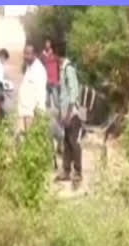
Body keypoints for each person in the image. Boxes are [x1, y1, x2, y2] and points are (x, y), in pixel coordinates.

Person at [55, 41, 82, 185]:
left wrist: (68, 115)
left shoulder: (68, 69)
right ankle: (66, 170)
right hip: (66, 113)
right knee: (67, 142)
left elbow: (74, 92)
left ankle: (77, 171)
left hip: (72, 114)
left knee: (73, 142)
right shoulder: (62, 69)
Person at [17, 44, 47, 131]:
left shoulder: (39, 70)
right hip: (23, 111)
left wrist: (38, 111)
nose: (25, 56)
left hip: (32, 113)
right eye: (24, 53)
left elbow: (41, 93)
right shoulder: (29, 67)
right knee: (21, 139)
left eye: (27, 53)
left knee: (30, 140)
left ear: (35, 55)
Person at [41, 38, 60, 109]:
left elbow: (59, 67)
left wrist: (59, 79)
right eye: (46, 43)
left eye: (49, 43)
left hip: (54, 82)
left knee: (56, 102)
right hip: (46, 82)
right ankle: (47, 119)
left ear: (51, 44)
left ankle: (62, 116)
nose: (47, 45)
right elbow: (40, 66)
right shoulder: (42, 56)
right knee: (46, 102)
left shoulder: (55, 56)